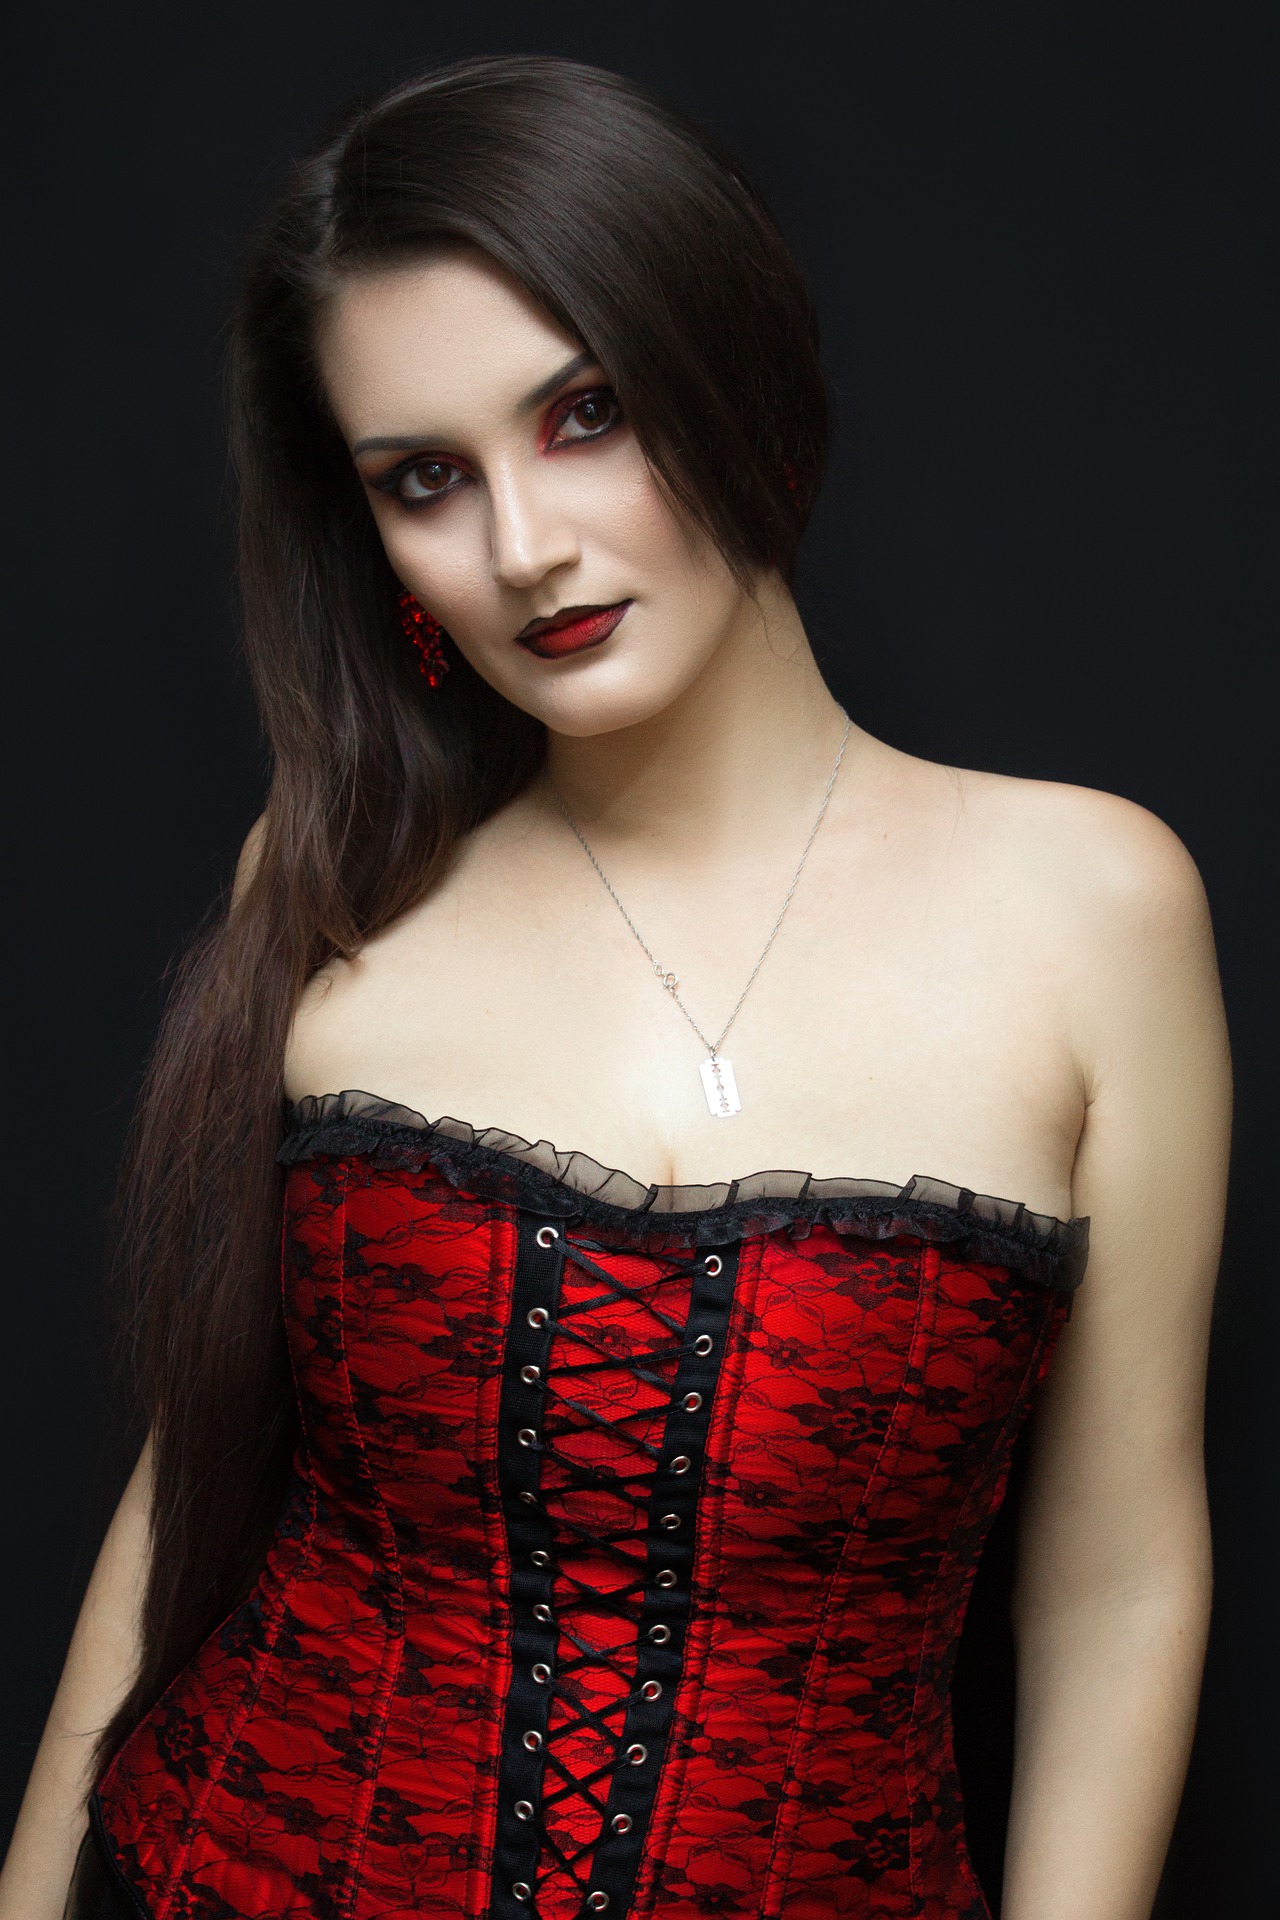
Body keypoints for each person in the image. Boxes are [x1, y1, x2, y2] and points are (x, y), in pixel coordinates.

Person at [0, 54, 1228, 1920]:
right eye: (425, 479)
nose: (521, 549)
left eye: (584, 416)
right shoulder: (335, 880)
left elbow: (1120, 1571)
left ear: (728, 368)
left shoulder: (1094, 903)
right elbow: (194, 1479)